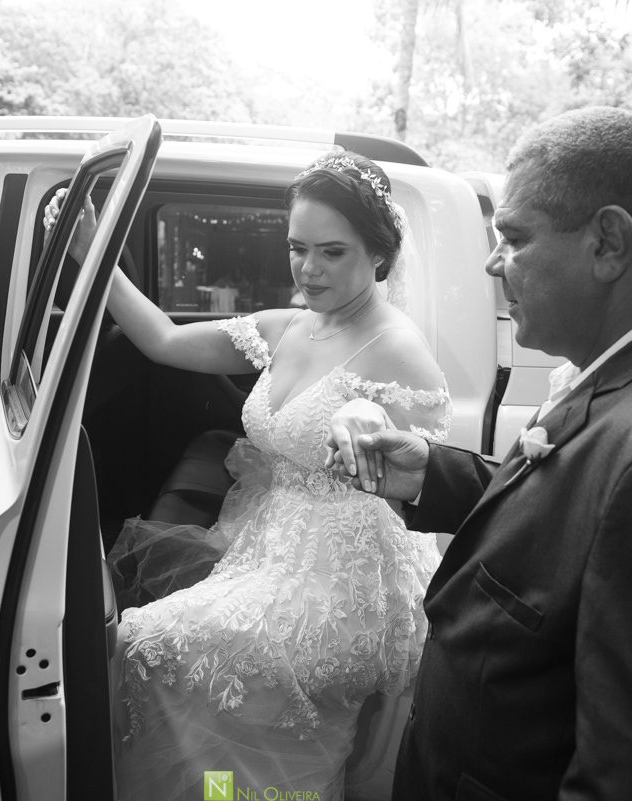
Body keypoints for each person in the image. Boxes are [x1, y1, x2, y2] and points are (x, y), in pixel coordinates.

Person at [327, 107, 632, 800]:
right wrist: (432, 473)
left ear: (608, 242)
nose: (494, 265)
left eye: (514, 238)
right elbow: (587, 525)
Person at [49, 152, 452, 800]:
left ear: (379, 255)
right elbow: (160, 340)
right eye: (298, 248)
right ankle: (231, 794)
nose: (309, 269)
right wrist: (90, 249)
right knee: (176, 682)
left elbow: (424, 472)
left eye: (332, 252)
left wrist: (361, 418)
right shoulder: (286, 325)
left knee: (144, 645)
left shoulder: (397, 346)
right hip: (267, 555)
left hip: (339, 592)